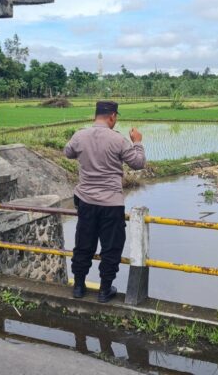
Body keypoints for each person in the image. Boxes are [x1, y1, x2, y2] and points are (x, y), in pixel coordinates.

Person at [64, 101, 146, 303]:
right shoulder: (118, 140)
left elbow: (68, 153)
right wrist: (137, 142)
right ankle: (104, 290)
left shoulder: (80, 135)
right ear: (112, 117)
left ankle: (79, 287)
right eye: (116, 117)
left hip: (86, 201)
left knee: (83, 244)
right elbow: (138, 163)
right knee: (111, 247)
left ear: (96, 115)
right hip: (111, 204)